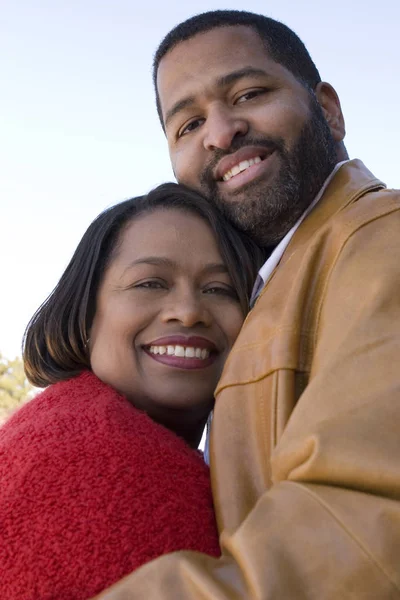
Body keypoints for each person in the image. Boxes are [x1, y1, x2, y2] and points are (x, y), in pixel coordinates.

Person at [94, 9, 400, 600]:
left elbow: (364, 523)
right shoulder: (270, 289)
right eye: (186, 125)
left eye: (250, 93)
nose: (220, 132)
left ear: (328, 108)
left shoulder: (382, 238)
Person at [0, 182, 265, 600]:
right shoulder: (102, 457)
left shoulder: (59, 425)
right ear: (86, 314)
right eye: (150, 283)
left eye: (219, 289)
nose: (189, 311)